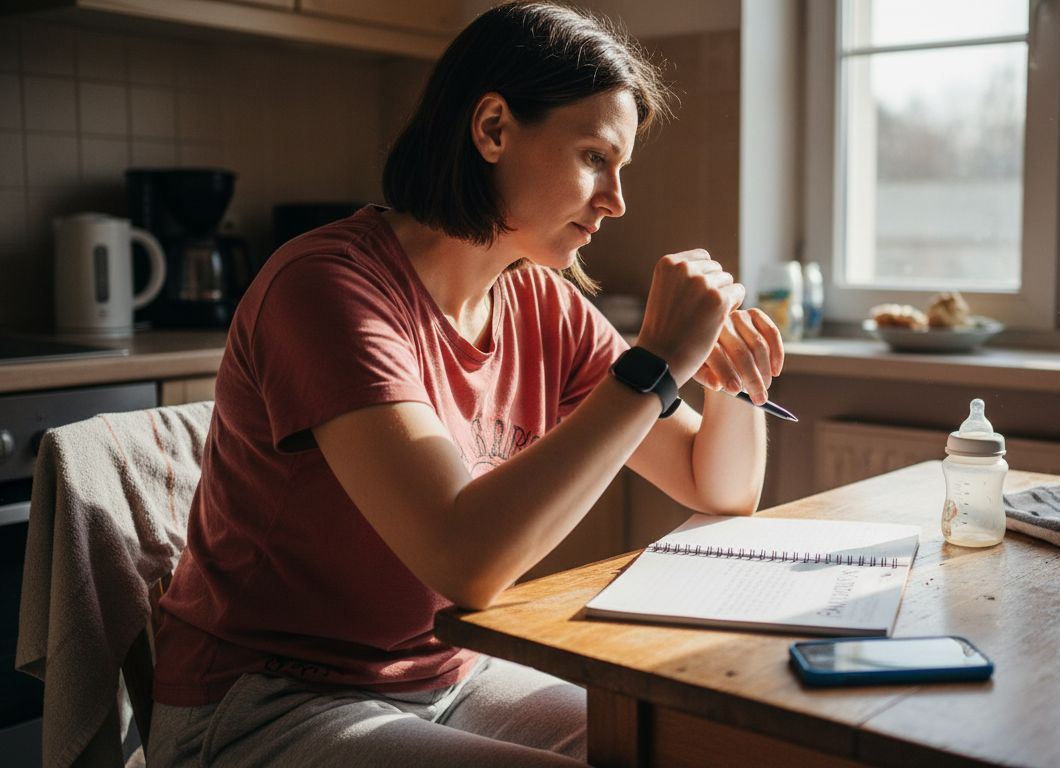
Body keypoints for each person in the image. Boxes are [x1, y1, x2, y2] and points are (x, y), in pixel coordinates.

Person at [146, 2, 784, 766]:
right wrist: (651, 365)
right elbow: (466, 562)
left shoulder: (540, 302)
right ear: (492, 129)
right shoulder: (326, 289)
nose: (616, 199)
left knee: (682, 745)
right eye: (592, 157)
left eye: (621, 168)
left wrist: (736, 386)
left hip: (449, 673)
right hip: (265, 702)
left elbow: (713, 485)